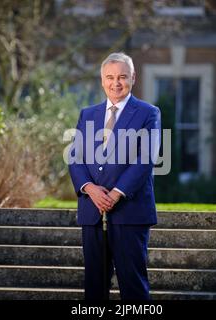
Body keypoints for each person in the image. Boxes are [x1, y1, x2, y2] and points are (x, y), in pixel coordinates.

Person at [68, 52, 161, 300]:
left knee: (133, 286)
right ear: (101, 80)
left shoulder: (148, 113)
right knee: (94, 287)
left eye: (122, 77)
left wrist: (116, 194)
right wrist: (90, 189)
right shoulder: (87, 114)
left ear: (133, 78)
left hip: (130, 212)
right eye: (109, 77)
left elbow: (145, 160)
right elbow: (75, 158)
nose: (115, 83)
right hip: (92, 212)